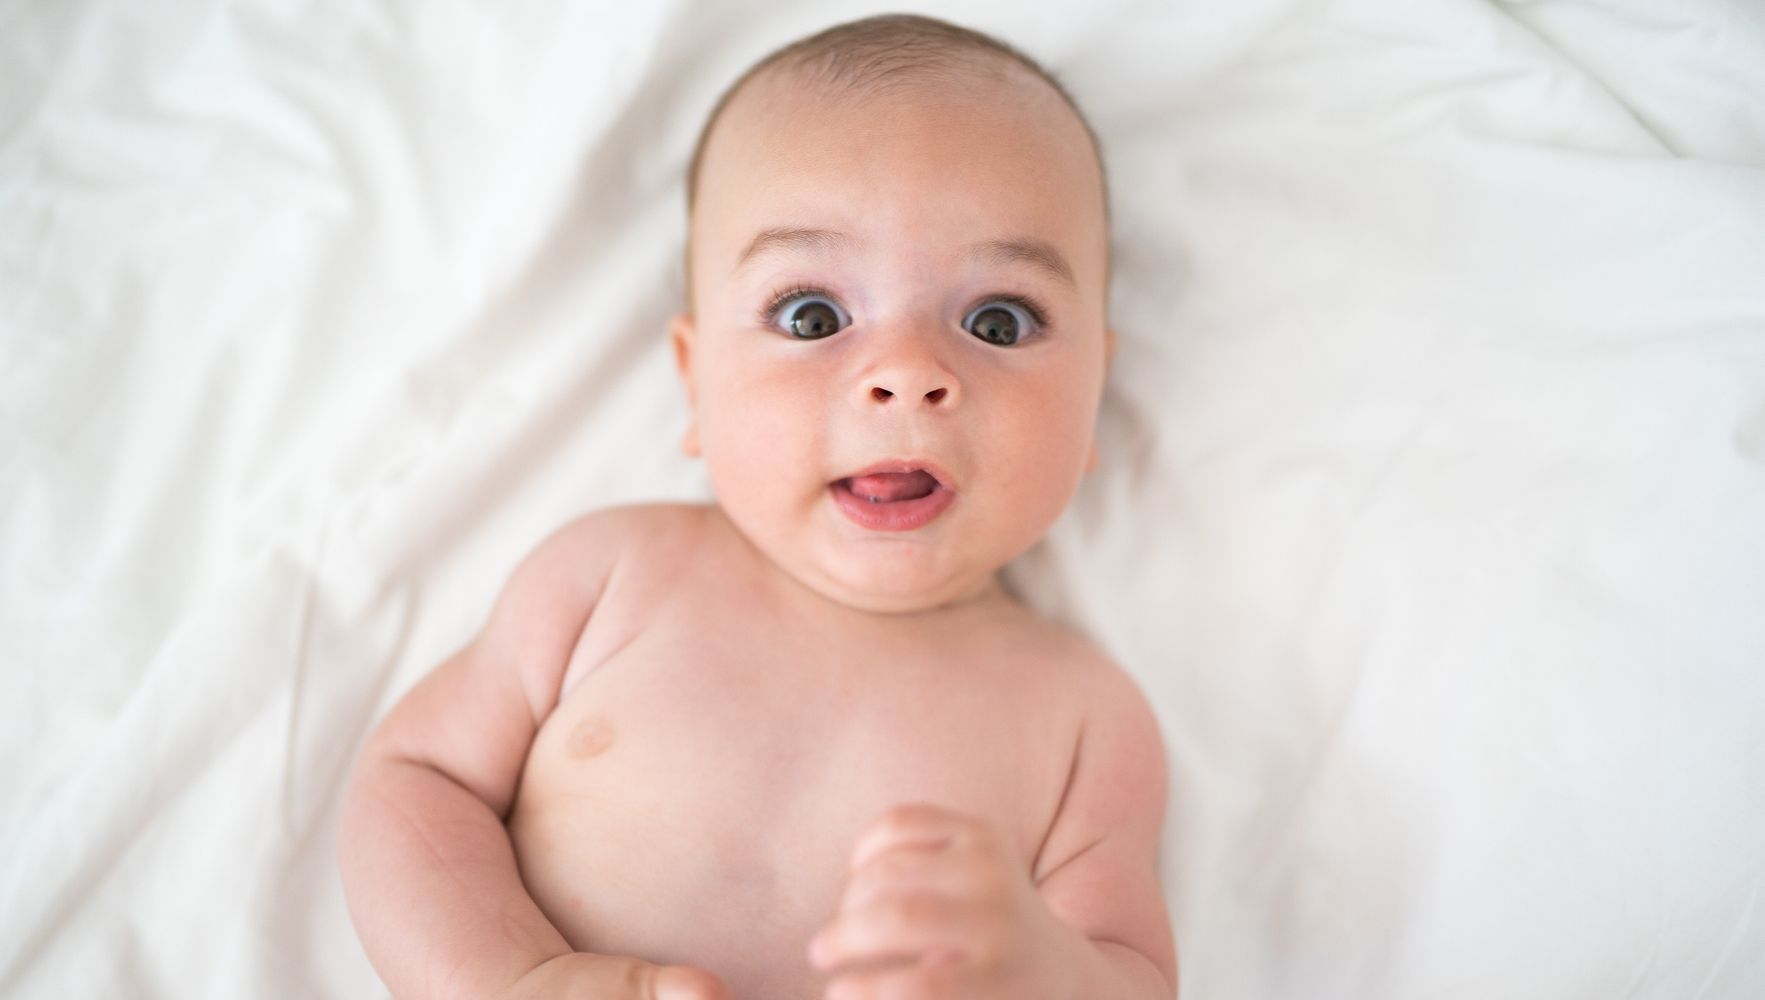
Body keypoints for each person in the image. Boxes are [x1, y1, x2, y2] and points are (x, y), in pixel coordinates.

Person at [338, 14, 1175, 1000]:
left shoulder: (1084, 718)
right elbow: (416, 781)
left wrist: (1039, 970)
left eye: (1000, 319)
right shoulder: (607, 578)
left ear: (1092, 403)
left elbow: (1131, 974)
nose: (906, 374)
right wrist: (512, 975)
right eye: (812, 315)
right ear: (696, 383)